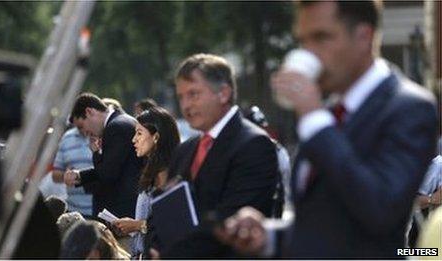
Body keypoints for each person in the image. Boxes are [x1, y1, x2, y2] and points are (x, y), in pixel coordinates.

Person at [217, 1, 438, 258]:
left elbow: (380, 210)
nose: (309, 52)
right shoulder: (327, 112)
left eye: (321, 37)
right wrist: (270, 236)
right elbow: (325, 224)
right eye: (303, 40)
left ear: (364, 36)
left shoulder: (407, 106)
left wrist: (314, 119)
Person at [164, 53, 278, 257]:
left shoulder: (254, 144)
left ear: (223, 93)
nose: (186, 105)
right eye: (181, 97)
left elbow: (232, 221)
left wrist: (172, 251)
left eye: (194, 94)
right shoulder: (183, 151)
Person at [112, 106, 180, 258]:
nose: (134, 139)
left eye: (139, 133)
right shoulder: (152, 170)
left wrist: (136, 225)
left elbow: (171, 221)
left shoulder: (167, 173)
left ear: (156, 137)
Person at [64, 93, 143, 219]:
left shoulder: (116, 127)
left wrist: (96, 153)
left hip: (121, 215)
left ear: (89, 112)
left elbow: (107, 175)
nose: (85, 133)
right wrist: (80, 176)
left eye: (81, 126)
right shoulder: (119, 122)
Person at [243, 105, 292, 218]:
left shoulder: (276, 148)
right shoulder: (238, 148)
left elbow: (285, 173)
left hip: (272, 202)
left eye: (260, 127)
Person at [51, 118, 93, 218]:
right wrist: (68, 175)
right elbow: (55, 175)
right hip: (72, 210)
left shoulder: (102, 135)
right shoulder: (67, 137)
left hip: (97, 209)